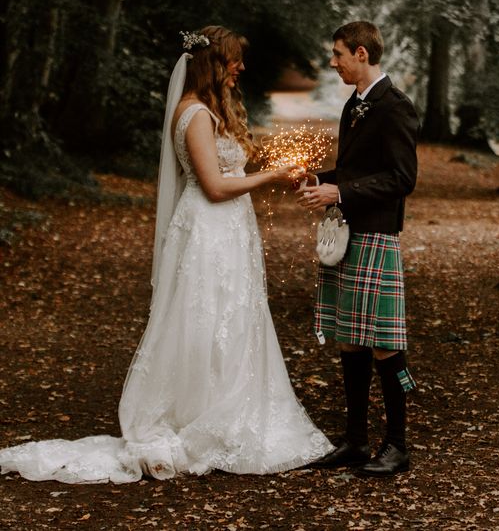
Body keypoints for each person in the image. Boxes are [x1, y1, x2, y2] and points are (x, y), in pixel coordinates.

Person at [0, 26, 332, 483]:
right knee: (207, 317)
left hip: (230, 229)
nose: (240, 68)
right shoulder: (194, 113)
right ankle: (202, 415)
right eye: (234, 60)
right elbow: (214, 187)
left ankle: (227, 408)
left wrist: (272, 172)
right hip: (209, 229)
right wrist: (268, 178)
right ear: (212, 63)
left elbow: (227, 170)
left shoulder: (212, 112)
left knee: (232, 317)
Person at [297, 21, 419, 477]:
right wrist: (321, 181)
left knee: (384, 342)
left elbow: (402, 179)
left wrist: (339, 194)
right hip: (349, 231)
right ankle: (354, 439)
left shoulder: (395, 107)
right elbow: (356, 169)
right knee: (350, 338)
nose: (333, 62)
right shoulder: (355, 105)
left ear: (362, 54)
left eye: (338, 54)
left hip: (376, 233)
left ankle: (398, 445)